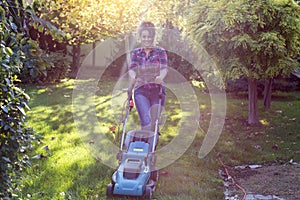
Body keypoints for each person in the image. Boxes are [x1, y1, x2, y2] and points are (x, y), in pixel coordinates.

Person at [124, 21, 168, 151]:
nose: (147, 39)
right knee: (146, 120)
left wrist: (161, 77)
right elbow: (132, 68)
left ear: (153, 37)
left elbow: (164, 68)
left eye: (149, 36)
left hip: (157, 90)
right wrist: (132, 78)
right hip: (140, 90)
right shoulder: (136, 53)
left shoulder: (160, 51)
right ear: (140, 37)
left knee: (154, 120)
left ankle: (153, 137)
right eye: (144, 36)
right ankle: (147, 150)